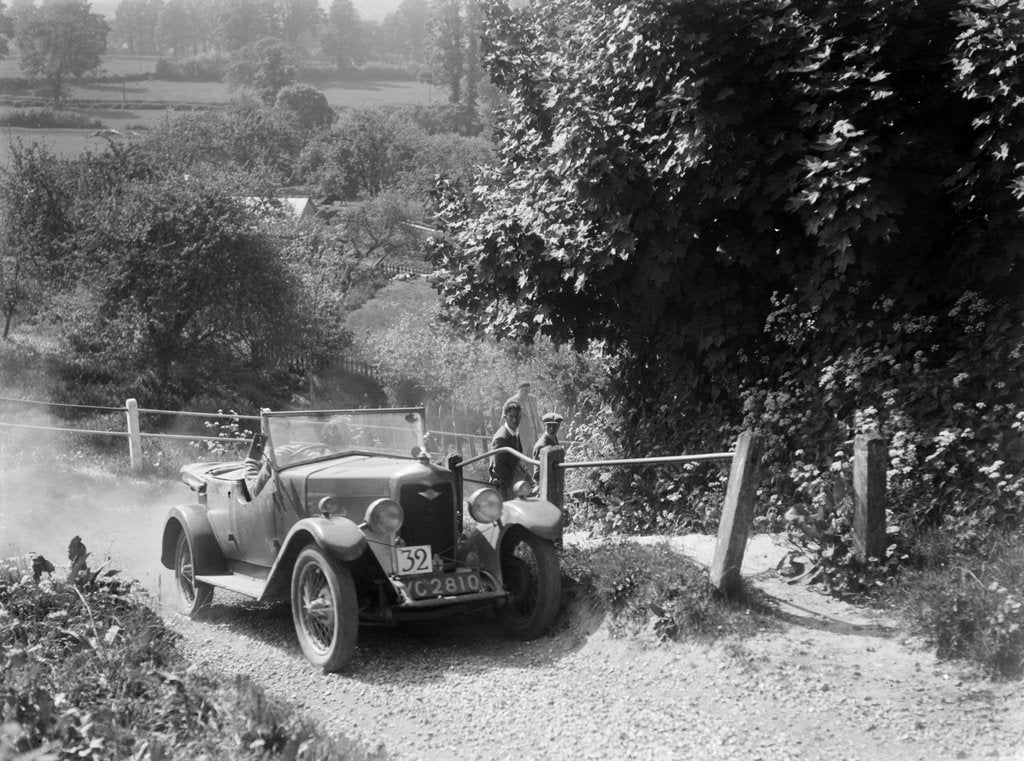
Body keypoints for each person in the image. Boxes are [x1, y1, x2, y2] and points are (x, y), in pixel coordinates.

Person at [489, 399, 534, 499]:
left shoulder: (515, 433)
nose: (515, 420)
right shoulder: (502, 438)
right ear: (505, 417)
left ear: (521, 417)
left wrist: (530, 480)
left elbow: (517, 461)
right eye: (511, 416)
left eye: (517, 416)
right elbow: (498, 467)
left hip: (514, 482)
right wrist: (516, 484)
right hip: (504, 485)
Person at [531, 412, 563, 481]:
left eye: (555, 426)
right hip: (544, 485)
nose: (552, 429)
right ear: (544, 426)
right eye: (549, 425)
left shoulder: (554, 439)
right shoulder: (541, 446)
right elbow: (537, 475)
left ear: (559, 426)